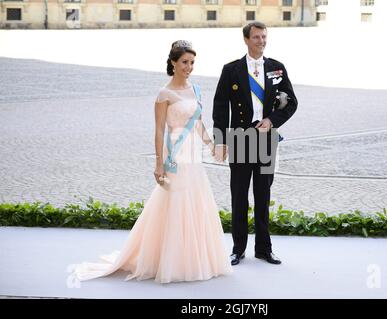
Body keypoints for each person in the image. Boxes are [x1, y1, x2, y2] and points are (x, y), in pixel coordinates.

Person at [70, 40, 232, 284]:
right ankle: (170, 261)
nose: (189, 67)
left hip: (193, 155)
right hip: (175, 153)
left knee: (195, 201)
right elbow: (158, 131)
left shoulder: (196, 90)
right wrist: (159, 164)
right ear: (173, 63)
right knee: (175, 201)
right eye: (185, 62)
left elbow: (198, 123)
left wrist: (211, 146)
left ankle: (195, 259)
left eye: (192, 63)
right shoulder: (164, 94)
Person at [212, 22, 298, 266]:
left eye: (264, 37)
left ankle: (264, 249)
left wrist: (272, 120)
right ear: (246, 40)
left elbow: (291, 102)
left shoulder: (277, 68)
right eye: (257, 37)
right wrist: (220, 140)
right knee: (239, 196)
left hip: (267, 139)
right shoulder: (231, 70)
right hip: (240, 138)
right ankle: (238, 249)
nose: (262, 41)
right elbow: (220, 106)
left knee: (263, 195)